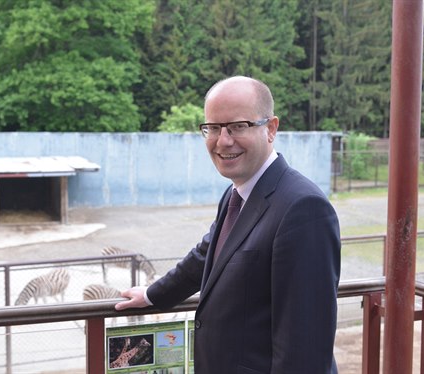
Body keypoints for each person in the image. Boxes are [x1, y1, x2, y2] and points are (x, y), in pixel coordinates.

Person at [115, 75, 341, 373]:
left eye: (238, 126)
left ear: (270, 129)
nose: (223, 140)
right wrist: (153, 294)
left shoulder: (303, 208)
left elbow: (305, 349)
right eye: (213, 128)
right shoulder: (238, 192)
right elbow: (206, 254)